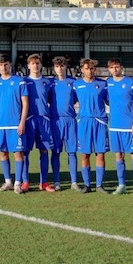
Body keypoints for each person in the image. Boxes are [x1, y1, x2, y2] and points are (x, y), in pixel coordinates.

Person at [105, 57, 133, 196]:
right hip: (114, 126)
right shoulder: (108, 83)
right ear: (108, 69)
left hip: (129, 126)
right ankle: (122, 185)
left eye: (117, 67)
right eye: (112, 67)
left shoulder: (132, 82)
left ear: (121, 67)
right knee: (119, 156)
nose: (114, 70)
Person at [0, 53, 28, 194]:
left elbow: (25, 104)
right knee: (3, 153)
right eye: (0, 64)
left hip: (15, 124)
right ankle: (8, 182)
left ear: (10, 65)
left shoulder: (19, 81)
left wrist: (22, 122)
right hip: (1, 124)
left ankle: (18, 183)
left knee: (18, 154)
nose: (3, 67)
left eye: (5, 64)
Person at [73, 58, 109, 194]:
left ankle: (99, 185)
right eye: (87, 68)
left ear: (95, 69)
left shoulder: (103, 84)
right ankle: (87, 185)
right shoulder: (76, 85)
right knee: (85, 154)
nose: (89, 71)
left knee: (100, 154)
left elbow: (110, 101)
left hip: (99, 122)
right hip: (84, 122)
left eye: (92, 68)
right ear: (82, 70)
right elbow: (70, 101)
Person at [23, 53, 55, 192]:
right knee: (25, 151)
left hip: (44, 120)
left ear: (41, 65)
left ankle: (44, 182)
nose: (35, 65)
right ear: (28, 65)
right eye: (32, 63)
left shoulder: (48, 82)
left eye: (37, 63)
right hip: (29, 120)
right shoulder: (23, 82)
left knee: (44, 151)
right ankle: (25, 182)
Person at [49, 56, 79, 191]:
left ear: (66, 67)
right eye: (57, 66)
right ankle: (56, 181)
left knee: (72, 152)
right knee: (55, 152)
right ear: (54, 68)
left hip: (70, 121)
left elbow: (77, 100)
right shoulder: (50, 83)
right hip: (55, 121)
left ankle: (74, 182)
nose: (59, 69)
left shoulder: (73, 82)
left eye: (62, 66)